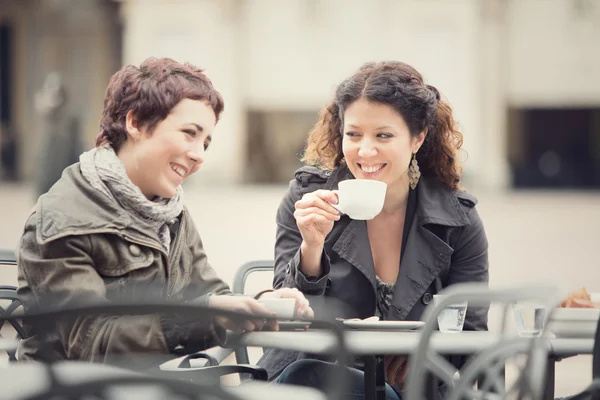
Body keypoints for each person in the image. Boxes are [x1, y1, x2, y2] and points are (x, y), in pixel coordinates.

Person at [16, 57, 312, 368]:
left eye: (206, 143)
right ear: (135, 123)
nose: (198, 156)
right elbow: (94, 342)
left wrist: (260, 304)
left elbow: (210, 292)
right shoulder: (62, 219)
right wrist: (208, 316)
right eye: (189, 133)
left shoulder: (168, 211)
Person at [258, 61, 489, 399]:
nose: (365, 151)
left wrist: (423, 357)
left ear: (417, 138)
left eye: (383, 135)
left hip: (410, 389)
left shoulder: (457, 220)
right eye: (353, 135)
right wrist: (311, 247)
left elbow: (471, 335)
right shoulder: (307, 201)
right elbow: (288, 317)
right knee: (315, 376)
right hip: (313, 379)